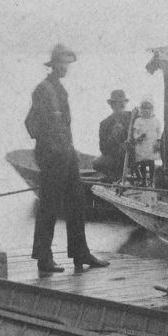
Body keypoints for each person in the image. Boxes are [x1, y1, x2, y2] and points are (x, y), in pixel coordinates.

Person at [23, 44, 108, 273]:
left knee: (77, 201)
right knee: (49, 205)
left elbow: (63, 124)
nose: (66, 67)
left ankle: (80, 253)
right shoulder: (43, 89)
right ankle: (44, 258)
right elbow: (31, 124)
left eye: (68, 64)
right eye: (62, 63)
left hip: (67, 152)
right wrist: (50, 147)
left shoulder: (59, 88)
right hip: (52, 155)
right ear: (53, 65)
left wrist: (67, 148)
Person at [92, 89, 131, 181]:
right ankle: (115, 178)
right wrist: (113, 136)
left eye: (123, 102)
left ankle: (116, 178)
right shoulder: (105, 124)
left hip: (131, 154)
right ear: (112, 105)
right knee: (96, 163)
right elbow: (103, 149)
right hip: (114, 156)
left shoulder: (132, 117)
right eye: (117, 103)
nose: (121, 105)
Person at [130, 98, 162, 185]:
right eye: (144, 108)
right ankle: (144, 181)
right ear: (141, 110)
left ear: (152, 109)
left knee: (151, 163)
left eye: (149, 108)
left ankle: (152, 180)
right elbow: (135, 132)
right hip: (142, 145)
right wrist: (138, 137)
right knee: (143, 163)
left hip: (152, 144)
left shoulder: (156, 121)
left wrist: (158, 141)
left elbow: (159, 131)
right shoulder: (138, 121)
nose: (147, 111)